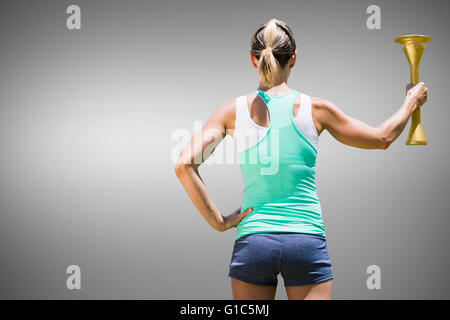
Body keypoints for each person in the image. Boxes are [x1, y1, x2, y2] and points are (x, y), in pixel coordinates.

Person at [174, 18, 428, 300]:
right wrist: (411, 101)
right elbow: (382, 138)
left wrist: (219, 221)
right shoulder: (317, 109)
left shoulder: (230, 112)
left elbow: (184, 163)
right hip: (305, 240)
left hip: (253, 240)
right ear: (293, 58)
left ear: (252, 58)